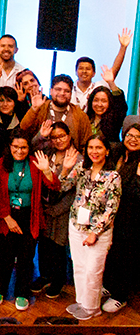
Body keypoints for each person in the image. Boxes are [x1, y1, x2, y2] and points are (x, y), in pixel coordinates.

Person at [44, 134, 120, 320]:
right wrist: (65, 169)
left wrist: (95, 233)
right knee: (78, 267)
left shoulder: (113, 176)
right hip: (76, 225)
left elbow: (111, 208)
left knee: (93, 270)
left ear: (107, 151)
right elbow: (62, 187)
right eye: (91, 148)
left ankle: (92, 308)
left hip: (98, 232)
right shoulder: (82, 168)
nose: (94, 151)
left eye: (99, 147)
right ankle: (82, 302)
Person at [0, 132, 43, 311]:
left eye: (23, 147)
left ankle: (22, 292)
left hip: (29, 216)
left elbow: (53, 185)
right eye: (15, 147)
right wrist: (7, 218)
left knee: (26, 257)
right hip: (5, 216)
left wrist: (49, 170)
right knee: (4, 256)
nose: (19, 151)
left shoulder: (36, 164)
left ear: (29, 148)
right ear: (9, 147)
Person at [31, 121, 79, 299]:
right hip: (43, 207)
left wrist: (56, 209)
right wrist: (41, 135)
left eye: (62, 136)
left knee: (58, 246)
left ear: (69, 136)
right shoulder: (47, 153)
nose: (58, 140)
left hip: (63, 210)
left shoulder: (78, 158)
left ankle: (58, 280)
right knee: (44, 244)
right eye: (54, 137)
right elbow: (30, 148)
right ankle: (44, 276)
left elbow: (73, 191)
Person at [100, 119, 140, 313]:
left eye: (138, 137)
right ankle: (108, 286)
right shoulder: (117, 154)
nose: (133, 139)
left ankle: (120, 296)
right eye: (130, 135)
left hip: (131, 217)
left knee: (126, 256)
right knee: (111, 253)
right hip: (111, 214)